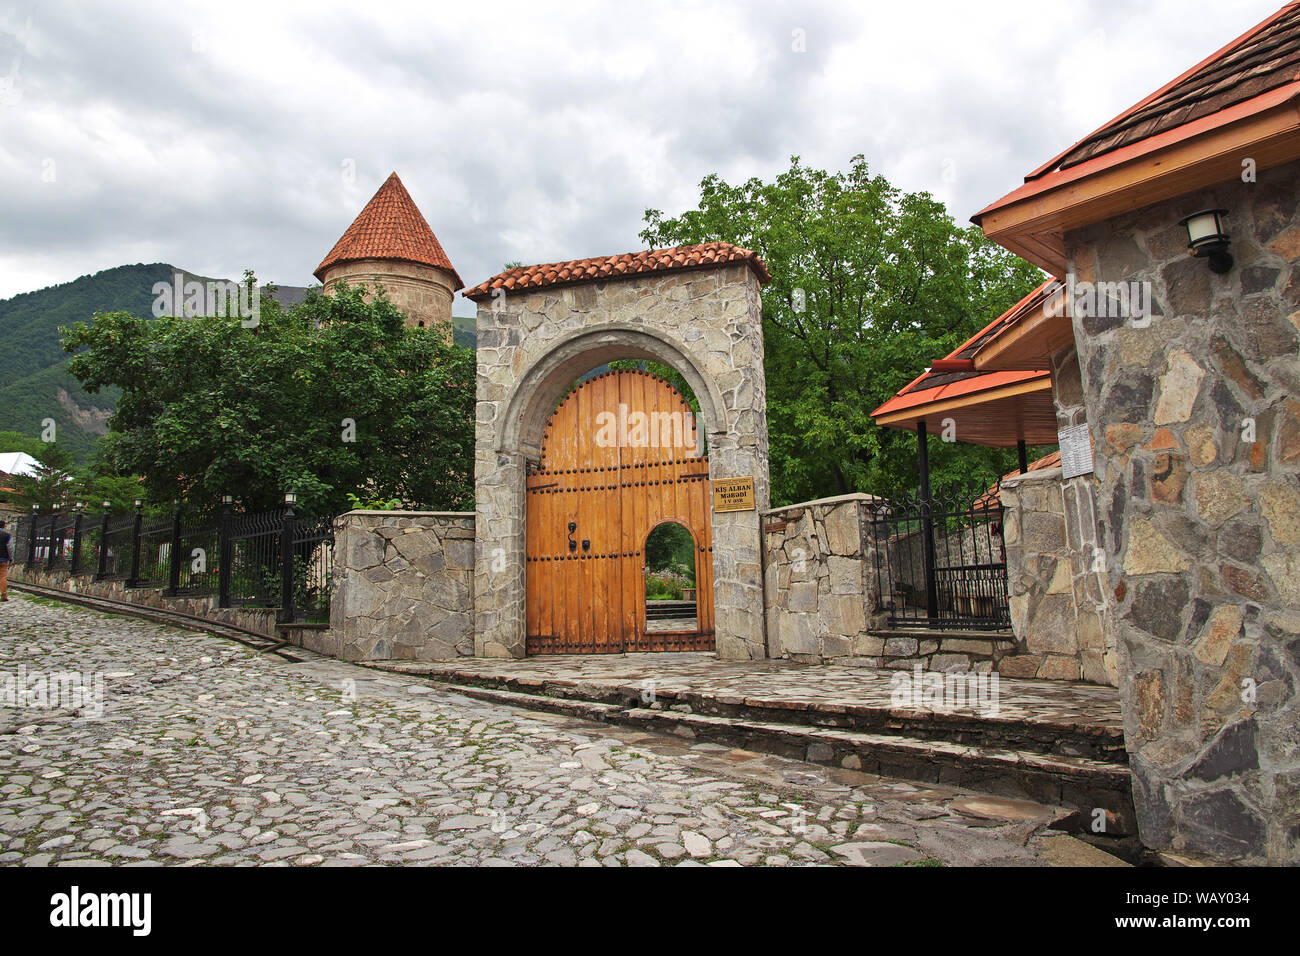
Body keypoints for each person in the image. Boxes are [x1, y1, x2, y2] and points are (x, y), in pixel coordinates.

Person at [0, 519, 10, 602]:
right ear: (4, 526)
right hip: (3, 559)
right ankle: (3, 595)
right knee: (3, 577)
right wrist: (11, 558)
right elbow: (10, 547)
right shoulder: (7, 535)